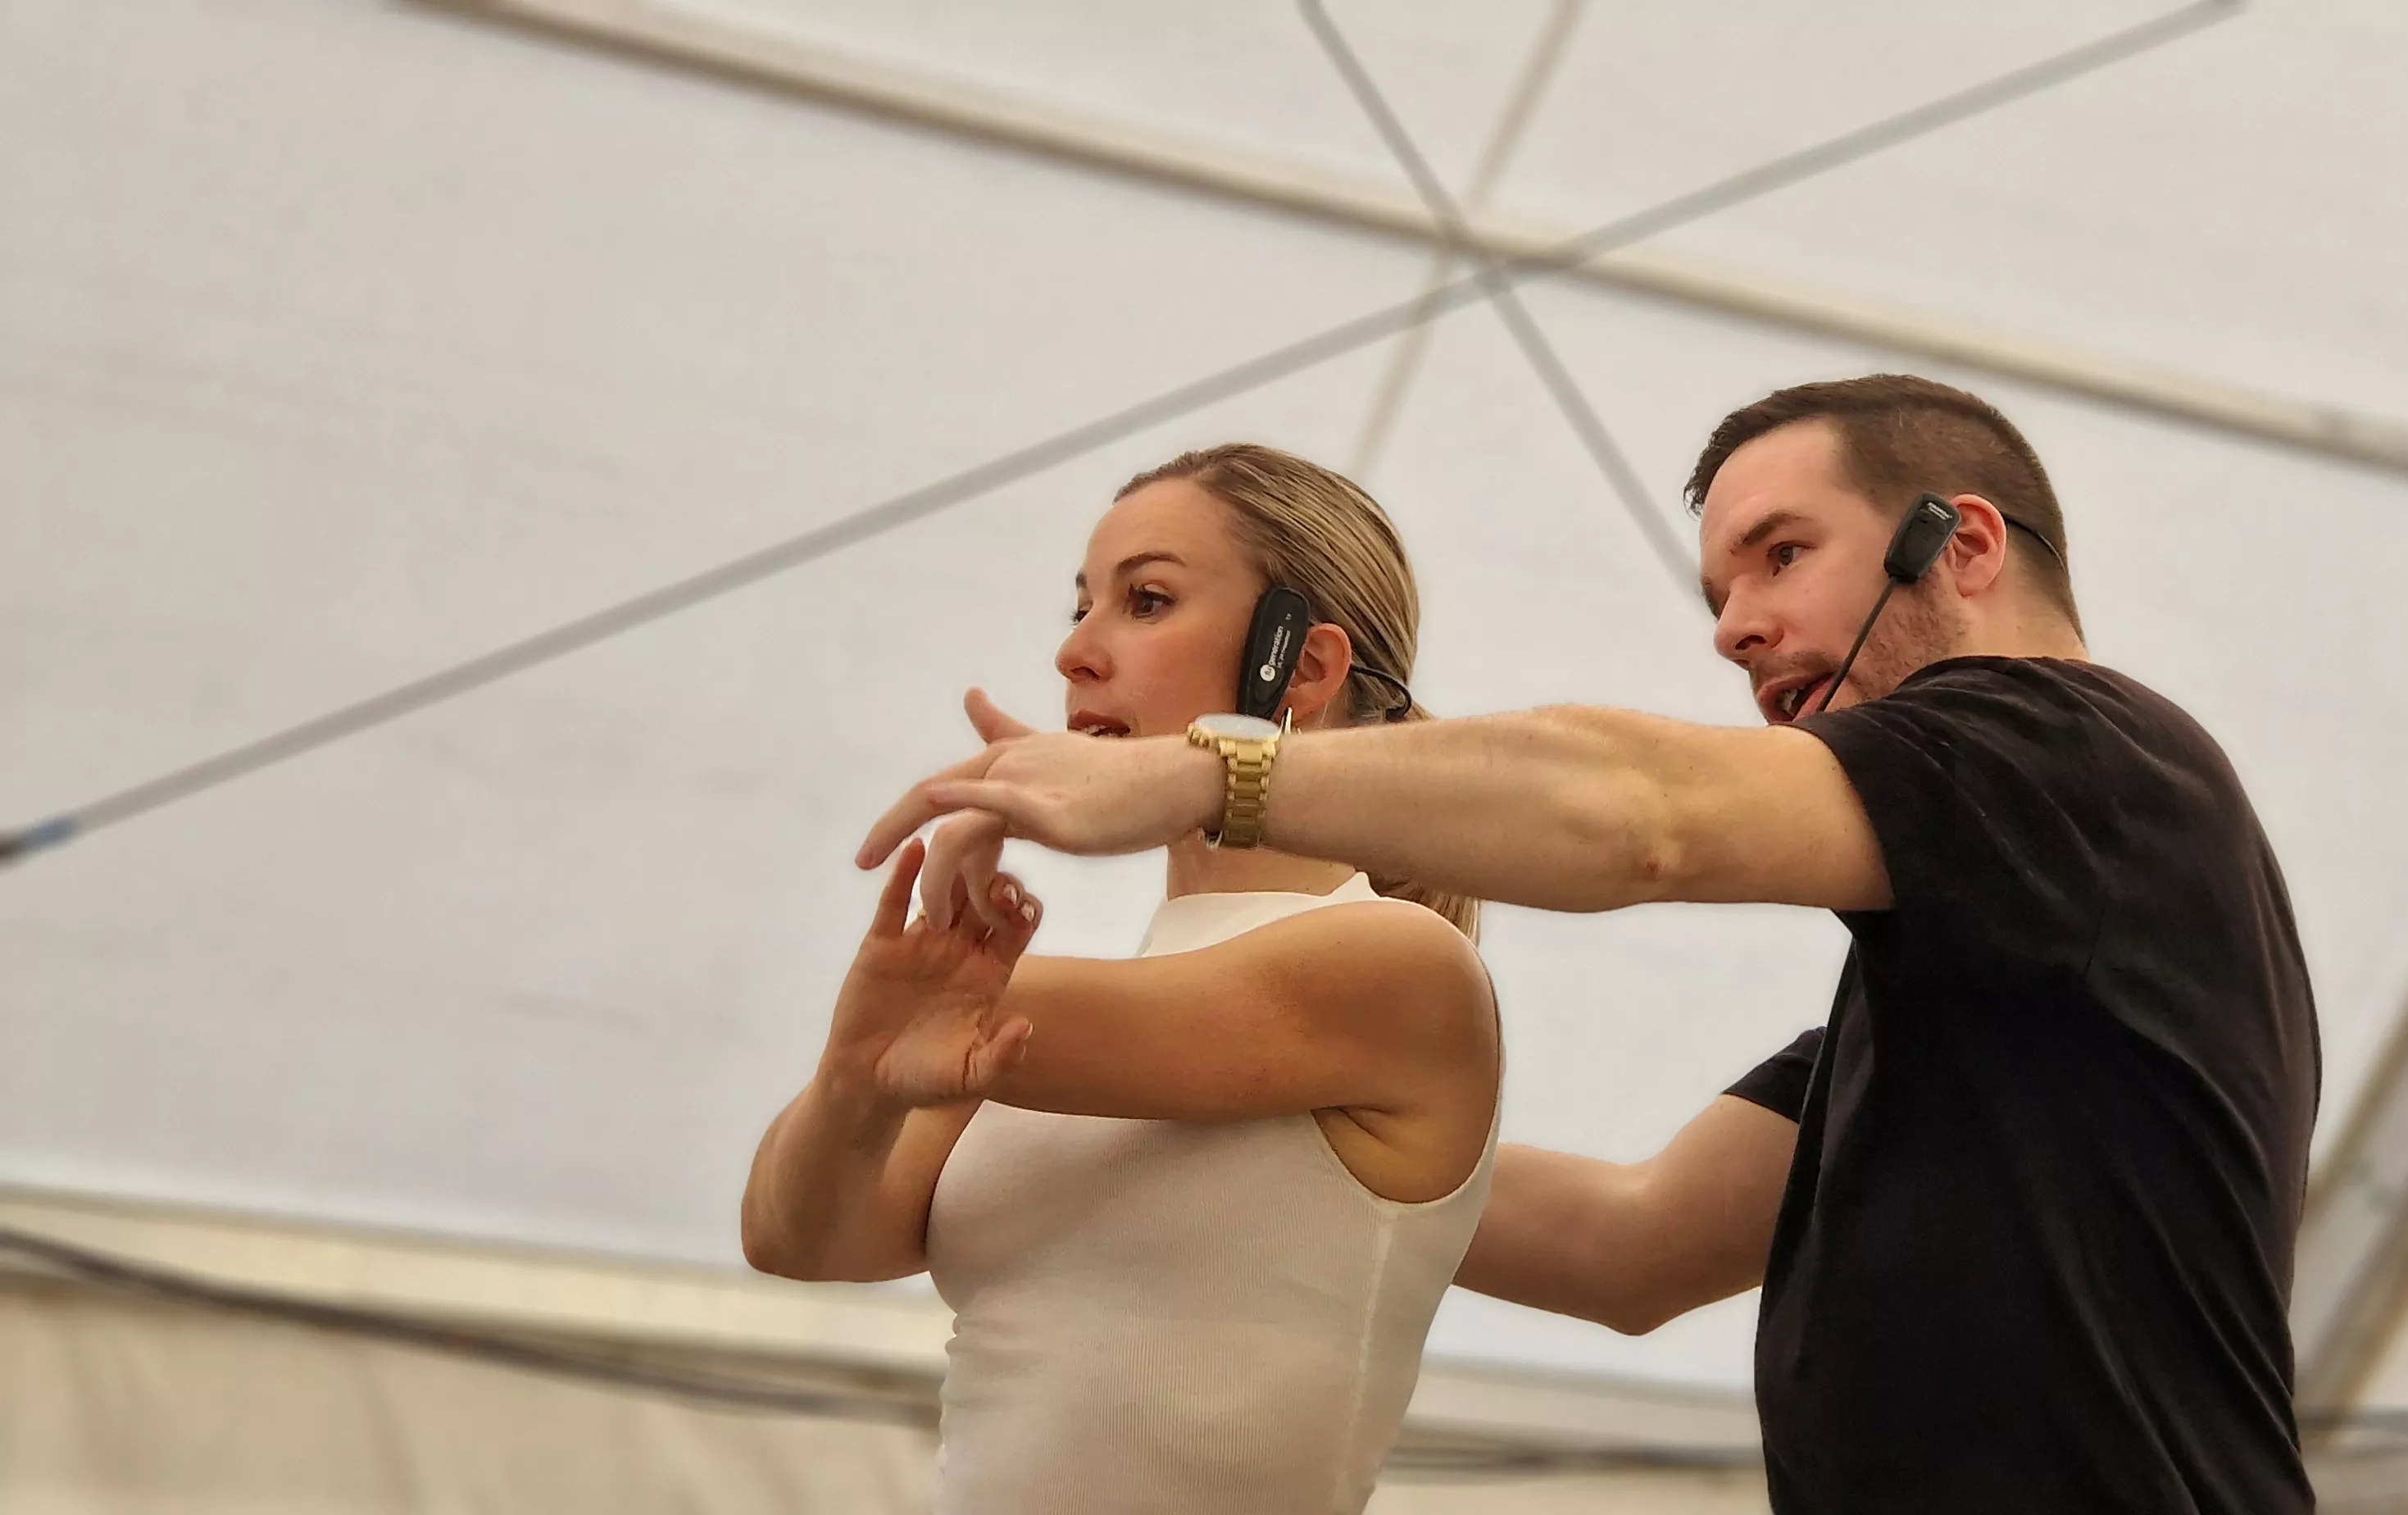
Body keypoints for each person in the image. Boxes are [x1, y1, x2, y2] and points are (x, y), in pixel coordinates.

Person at [868, 375, 2322, 1513]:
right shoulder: (1967, 992)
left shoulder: (2078, 755)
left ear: (1969, 545)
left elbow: (1641, 816)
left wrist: (1200, 772)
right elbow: (1627, 1247)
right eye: (1717, 595)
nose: (1735, 629)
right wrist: (1337, 1130)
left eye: (1782, 557)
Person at [743, 444, 1503, 1515]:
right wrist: (863, 1077)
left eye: (1146, 601)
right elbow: (796, 1237)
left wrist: (918, 999)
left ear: (1304, 666)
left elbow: (992, 1031)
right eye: (1081, 604)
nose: (1074, 652)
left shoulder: (1394, 963)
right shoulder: (1042, 1023)